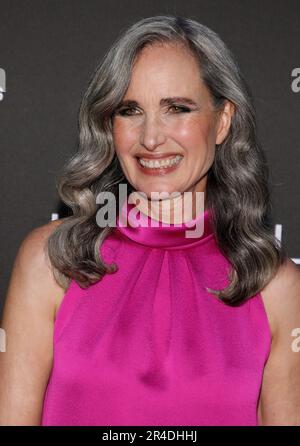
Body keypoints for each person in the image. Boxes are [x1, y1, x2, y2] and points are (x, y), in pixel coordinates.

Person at [1, 14, 300, 426]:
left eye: (177, 108)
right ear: (110, 124)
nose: (151, 138)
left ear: (223, 121)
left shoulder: (274, 284)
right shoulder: (51, 261)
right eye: (130, 110)